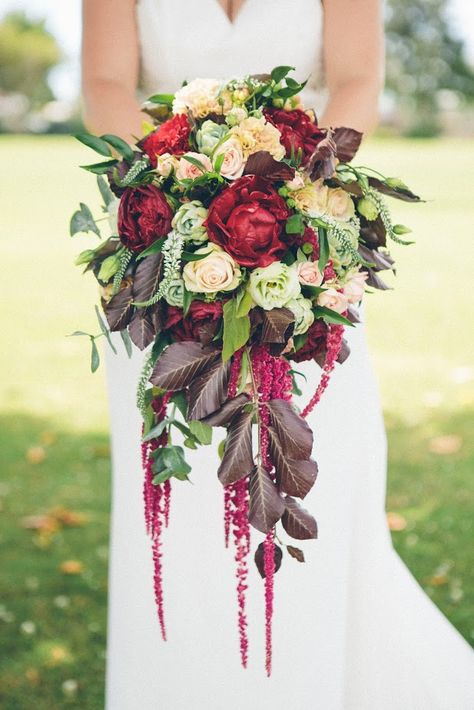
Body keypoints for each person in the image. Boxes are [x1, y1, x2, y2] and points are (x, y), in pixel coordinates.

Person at [81, 2, 474, 708]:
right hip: (165, 250)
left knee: (316, 462)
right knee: (178, 489)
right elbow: (106, 83)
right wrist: (184, 182)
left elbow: (356, 79)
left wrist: (288, 186)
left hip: (300, 235)